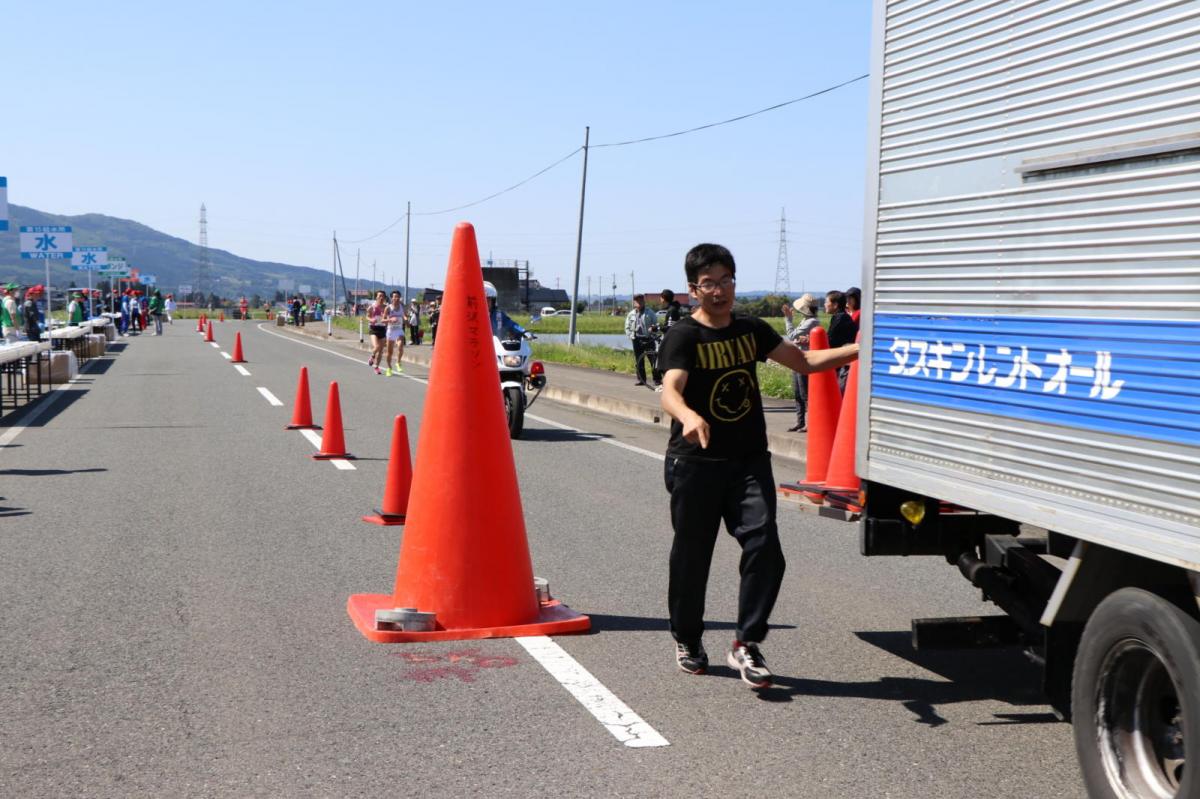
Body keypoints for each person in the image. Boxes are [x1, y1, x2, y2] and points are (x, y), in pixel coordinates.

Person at [658, 243, 858, 689]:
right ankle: (688, 637)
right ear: (694, 290)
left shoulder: (750, 329)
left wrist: (857, 350)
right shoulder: (684, 336)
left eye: (726, 280)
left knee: (765, 547)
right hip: (695, 463)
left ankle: (746, 643)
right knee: (692, 557)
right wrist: (688, 415)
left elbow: (804, 362)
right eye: (709, 283)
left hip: (748, 460)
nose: (720, 290)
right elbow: (671, 388)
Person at [782, 294, 821, 432]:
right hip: (799, 358)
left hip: (804, 360)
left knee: (805, 394)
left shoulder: (811, 322)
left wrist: (788, 319)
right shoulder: (806, 320)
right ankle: (800, 421)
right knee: (798, 393)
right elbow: (798, 338)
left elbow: (792, 335)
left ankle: (808, 423)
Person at [825, 290, 859, 393]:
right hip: (843, 361)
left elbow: (830, 339)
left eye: (827, 302)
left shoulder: (840, 318)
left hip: (844, 363)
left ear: (835, 305)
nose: (825, 304)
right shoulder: (840, 316)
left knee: (839, 392)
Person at [625, 293, 661, 389]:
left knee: (653, 359)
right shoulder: (631, 314)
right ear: (633, 303)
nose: (639, 302)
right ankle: (641, 380)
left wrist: (653, 331)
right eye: (636, 301)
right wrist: (630, 336)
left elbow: (656, 325)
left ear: (644, 301)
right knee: (639, 360)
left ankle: (657, 380)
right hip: (636, 339)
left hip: (648, 338)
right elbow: (627, 327)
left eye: (640, 300)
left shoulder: (650, 313)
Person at [383, 290, 406, 376]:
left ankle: (398, 362)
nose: (396, 298)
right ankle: (389, 368)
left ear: (400, 298)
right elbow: (382, 320)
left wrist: (406, 319)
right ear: (391, 298)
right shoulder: (388, 308)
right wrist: (390, 319)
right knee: (390, 353)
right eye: (394, 296)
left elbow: (404, 314)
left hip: (399, 330)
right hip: (391, 331)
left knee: (400, 346)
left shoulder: (402, 306)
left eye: (398, 297)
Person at [366, 290, 387, 375]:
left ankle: (376, 367)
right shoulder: (372, 307)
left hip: (382, 328)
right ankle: (372, 357)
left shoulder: (386, 307)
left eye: (382, 296)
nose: (381, 297)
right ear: (376, 297)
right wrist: (371, 319)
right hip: (373, 328)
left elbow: (389, 316)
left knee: (381, 350)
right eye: (379, 296)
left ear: (385, 298)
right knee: (377, 346)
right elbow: (367, 316)